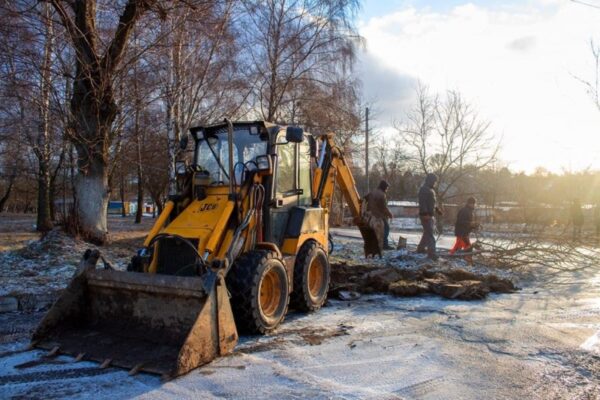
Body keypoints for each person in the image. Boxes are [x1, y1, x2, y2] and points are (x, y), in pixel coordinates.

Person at [416, 173, 442, 260]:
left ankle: (420, 249)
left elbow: (432, 203)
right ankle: (432, 253)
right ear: (430, 180)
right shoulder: (424, 189)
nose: (435, 183)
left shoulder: (431, 190)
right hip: (425, 215)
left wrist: (437, 210)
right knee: (430, 234)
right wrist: (425, 214)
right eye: (434, 181)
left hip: (430, 215)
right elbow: (423, 202)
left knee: (427, 232)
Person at [449, 197, 479, 264]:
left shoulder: (469, 211)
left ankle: (452, 258)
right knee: (467, 247)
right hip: (462, 233)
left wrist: (474, 226)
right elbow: (461, 222)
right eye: (473, 203)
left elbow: (467, 223)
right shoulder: (465, 211)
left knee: (459, 247)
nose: (474, 205)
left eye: (474, 203)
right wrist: (471, 224)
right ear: (469, 203)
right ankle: (468, 261)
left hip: (464, 232)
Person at [366, 180, 394, 250]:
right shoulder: (382, 195)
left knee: (375, 231)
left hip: (371, 215)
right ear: (384, 187)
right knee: (386, 229)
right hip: (379, 215)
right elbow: (383, 207)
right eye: (387, 188)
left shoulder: (372, 192)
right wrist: (390, 214)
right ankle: (384, 245)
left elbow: (365, 199)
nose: (387, 189)